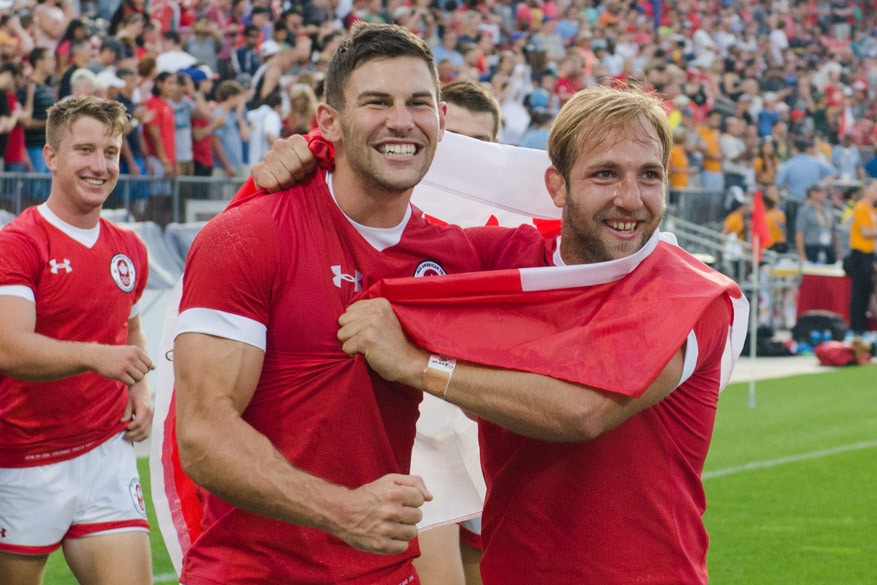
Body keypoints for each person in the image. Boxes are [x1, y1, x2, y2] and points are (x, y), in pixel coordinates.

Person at [249, 83, 747, 584]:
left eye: (649, 176)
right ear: (557, 187)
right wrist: (315, 172)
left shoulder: (692, 295)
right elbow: (376, 244)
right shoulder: (508, 262)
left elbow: (582, 411)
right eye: (604, 174)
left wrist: (417, 366)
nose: (630, 199)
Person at [171, 23, 511, 585]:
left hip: (386, 570)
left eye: (418, 103)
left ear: (441, 122)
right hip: (252, 574)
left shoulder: (452, 254)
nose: (401, 120)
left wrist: (416, 366)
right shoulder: (249, 236)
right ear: (328, 122)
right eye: (377, 102)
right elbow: (204, 437)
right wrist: (343, 511)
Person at [0, 95, 154, 585]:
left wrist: (140, 388)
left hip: (105, 453)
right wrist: (99, 358)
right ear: (51, 157)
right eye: (84, 150)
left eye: (110, 152)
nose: (100, 165)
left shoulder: (129, 246)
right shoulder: (20, 243)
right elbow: (9, 348)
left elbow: (127, 326)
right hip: (24, 459)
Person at [846, 181, 877, 338]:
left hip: (870, 253)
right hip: (859, 253)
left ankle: (862, 328)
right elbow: (866, 232)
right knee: (859, 292)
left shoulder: (873, 209)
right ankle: (856, 328)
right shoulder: (862, 207)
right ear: (868, 191)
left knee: (866, 291)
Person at [795, 184, 839, 264]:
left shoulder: (828, 209)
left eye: (824, 191)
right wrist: (802, 255)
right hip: (812, 247)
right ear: (813, 193)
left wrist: (837, 252)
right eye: (820, 192)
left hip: (828, 247)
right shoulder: (805, 211)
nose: (823, 194)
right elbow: (800, 234)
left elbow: (834, 232)